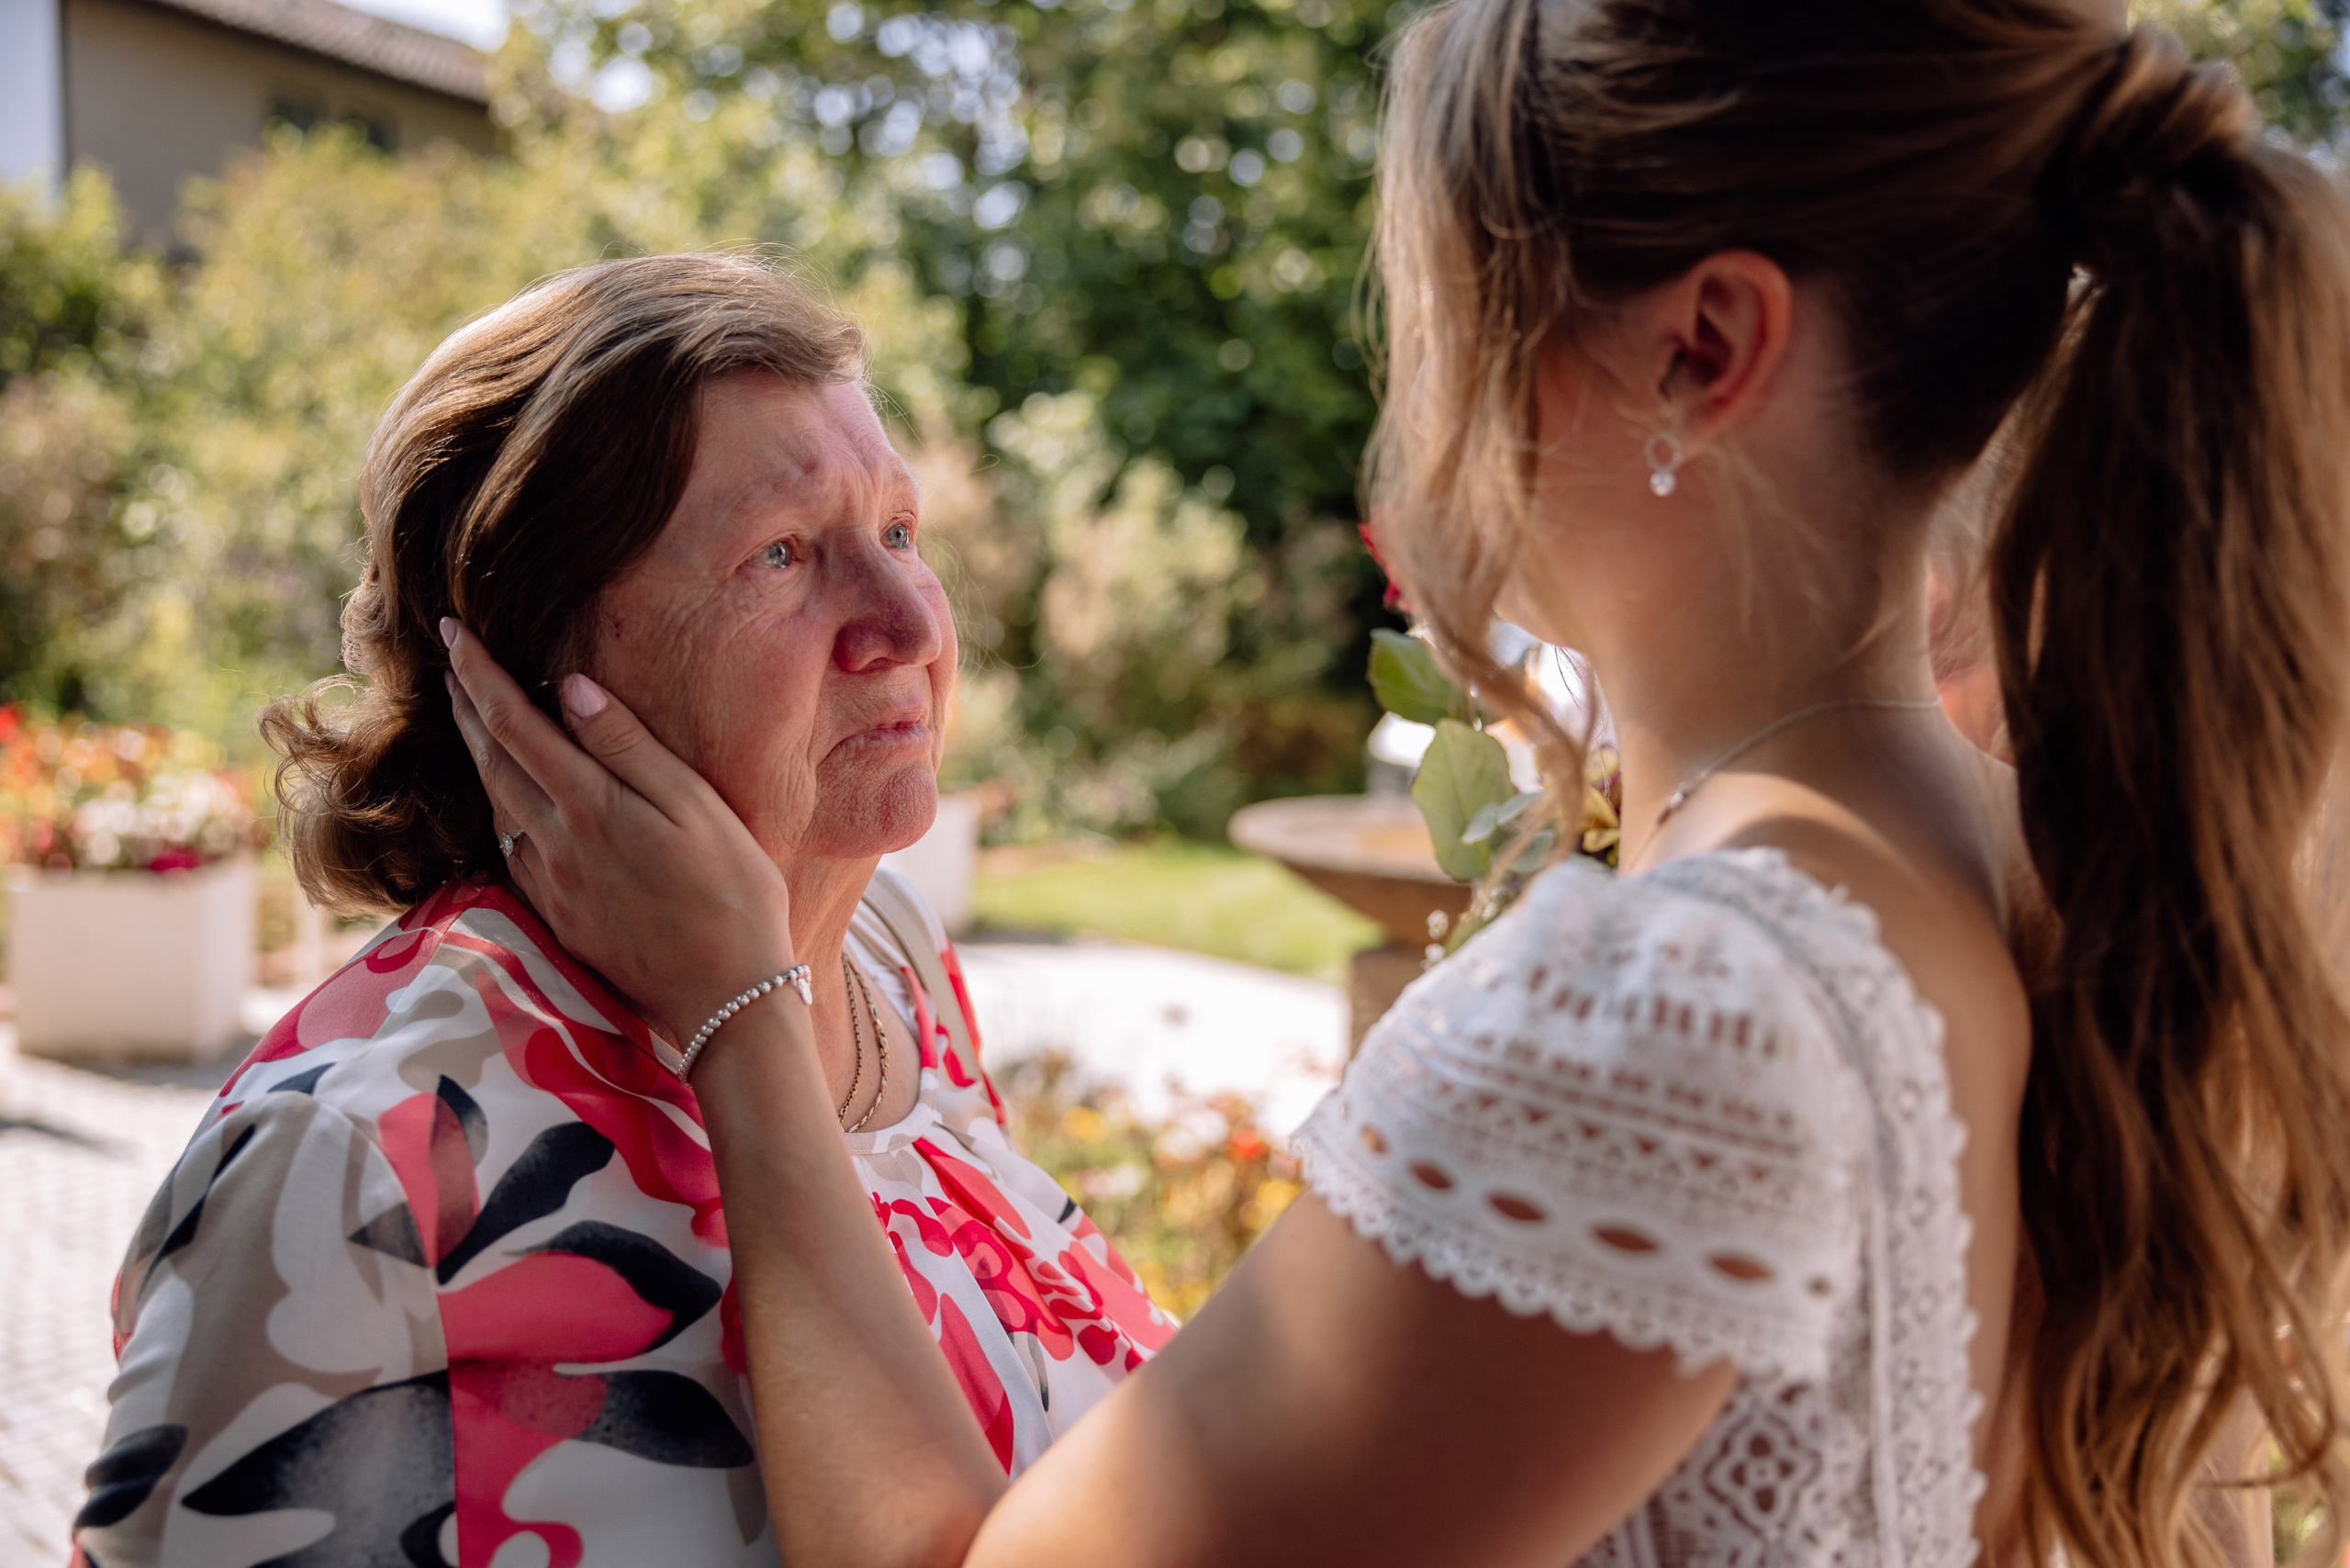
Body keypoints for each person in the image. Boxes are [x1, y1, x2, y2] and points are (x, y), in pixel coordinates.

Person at [441, 1, 2350, 1566]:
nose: (1404, 394)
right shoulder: (2028, 862)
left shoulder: (1670, 1013)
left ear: (1697, 350)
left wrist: (741, 1013)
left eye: (1439, 299)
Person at [70, 253, 1172, 1568]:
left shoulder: (893, 964)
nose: (903, 625)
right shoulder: (360, 1156)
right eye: (780, 555)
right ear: (535, 671)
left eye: (896, 533)